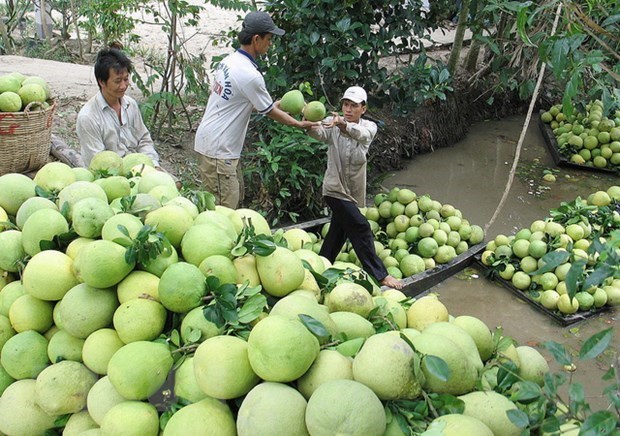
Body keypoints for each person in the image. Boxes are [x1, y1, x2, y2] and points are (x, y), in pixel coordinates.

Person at [194, 10, 317, 209]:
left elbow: (235, 103)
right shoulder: (250, 74)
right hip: (218, 150)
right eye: (269, 39)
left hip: (213, 144)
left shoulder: (229, 61)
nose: (270, 44)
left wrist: (271, 105)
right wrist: (298, 124)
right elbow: (268, 112)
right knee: (223, 211)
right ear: (256, 39)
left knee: (233, 200)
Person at [308, 86, 403, 290]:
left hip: (353, 190)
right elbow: (318, 132)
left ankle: (321, 266)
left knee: (339, 230)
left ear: (363, 109)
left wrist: (344, 126)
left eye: (353, 106)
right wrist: (306, 120)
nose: (348, 109)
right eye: (345, 105)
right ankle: (380, 275)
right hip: (334, 188)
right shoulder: (332, 125)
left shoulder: (368, 127)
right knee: (360, 226)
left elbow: (362, 135)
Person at [76, 47, 161, 168]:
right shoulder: (88, 117)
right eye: (117, 81)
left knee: (174, 184)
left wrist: (153, 164)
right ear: (102, 82)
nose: (123, 86)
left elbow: (144, 139)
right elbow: (99, 163)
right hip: (109, 177)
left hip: (138, 168)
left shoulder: (130, 105)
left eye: (126, 79)